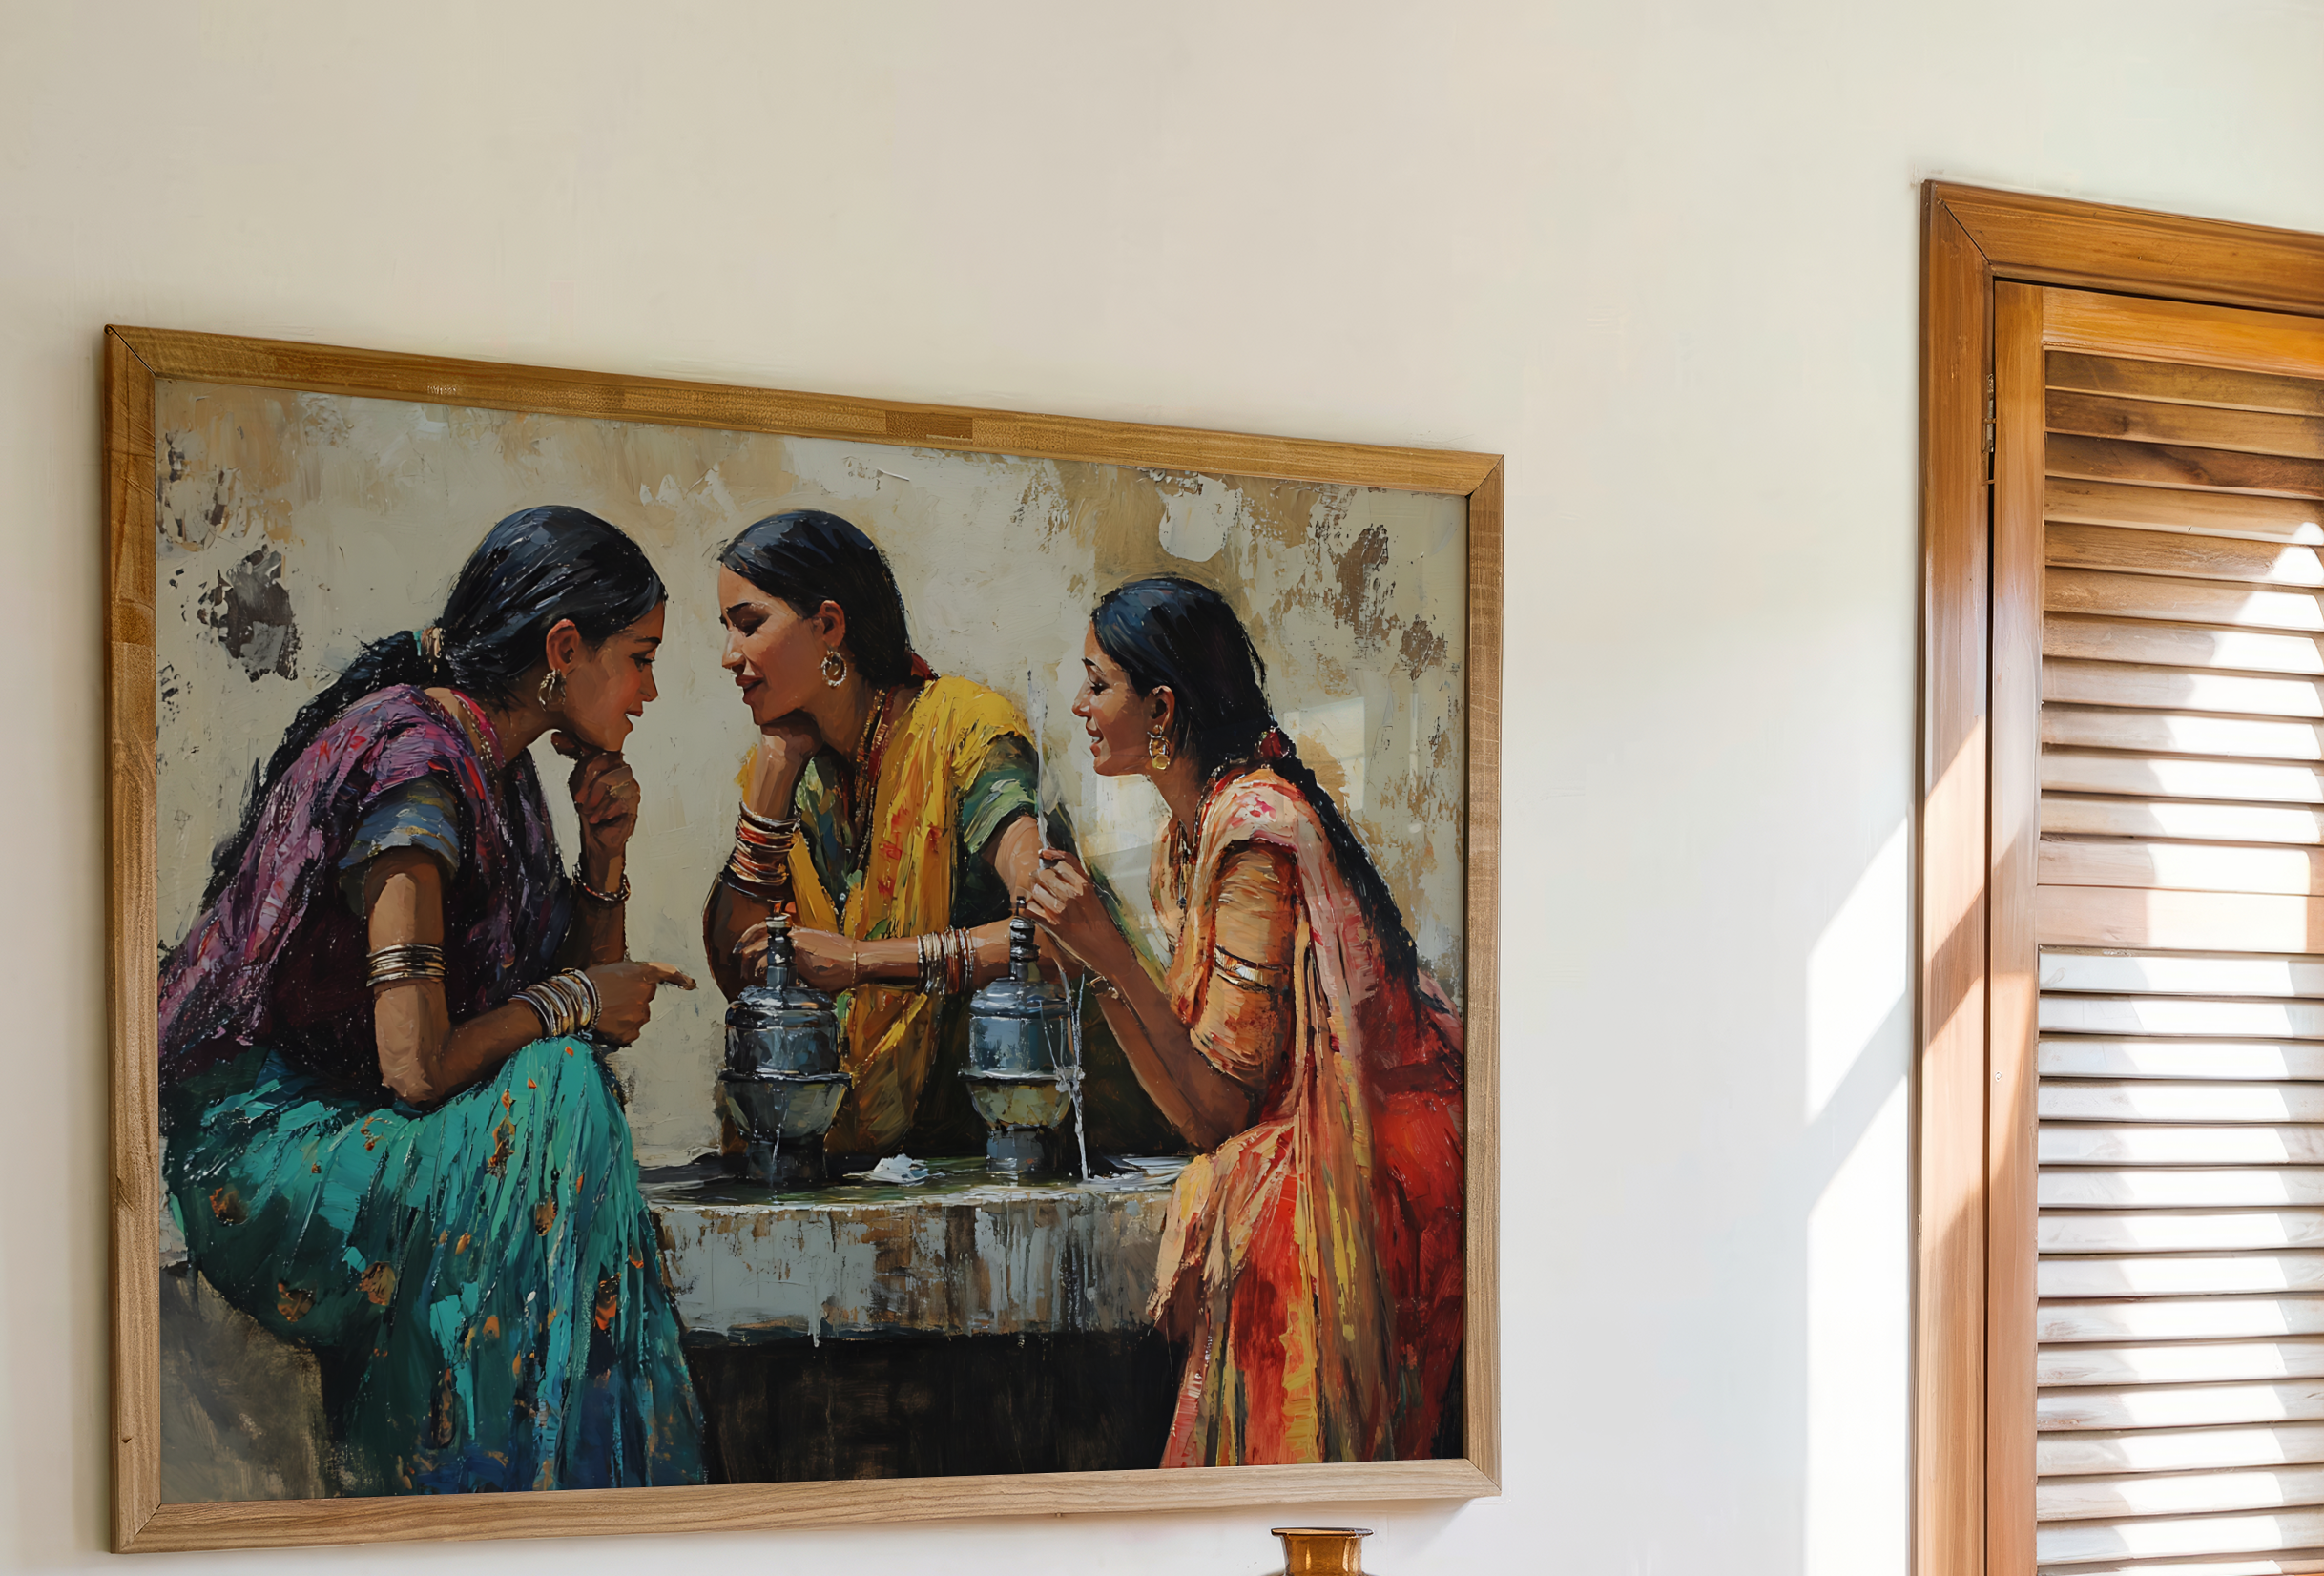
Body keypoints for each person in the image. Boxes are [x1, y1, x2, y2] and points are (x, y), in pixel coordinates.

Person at [157, 505, 708, 1494]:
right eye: (639, 657)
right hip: (275, 1149)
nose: (651, 691)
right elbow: (417, 1066)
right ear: (561, 647)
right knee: (559, 1085)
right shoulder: (414, 764)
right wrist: (579, 999)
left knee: (562, 1077)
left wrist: (604, 859)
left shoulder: (503, 771)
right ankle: (507, 1493)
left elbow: (551, 1006)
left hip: (367, 1120)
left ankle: (560, 1497)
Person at [1020, 576, 1467, 1465]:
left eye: (1096, 683)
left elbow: (1221, 1111)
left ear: (1162, 707)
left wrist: (1109, 957)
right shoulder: (1188, 837)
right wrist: (1099, 969)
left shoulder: (1256, 834)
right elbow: (1198, 1111)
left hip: (1377, 1166)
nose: (1078, 705)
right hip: (1315, 1139)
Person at [702, 509, 1050, 1161]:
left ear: (829, 626)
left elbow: (1054, 931)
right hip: (840, 1153)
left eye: (749, 625)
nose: (730, 657)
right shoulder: (786, 770)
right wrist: (769, 796)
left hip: (988, 1145)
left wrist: (863, 965)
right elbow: (740, 974)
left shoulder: (966, 732)